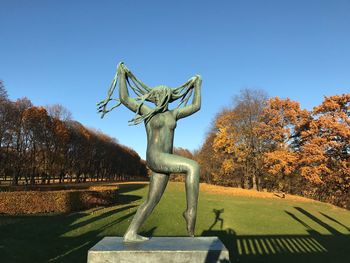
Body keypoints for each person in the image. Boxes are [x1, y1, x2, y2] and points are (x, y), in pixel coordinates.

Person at [98, 62, 201, 242]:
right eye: (158, 95)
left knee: (151, 201)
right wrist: (122, 75)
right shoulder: (148, 113)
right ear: (154, 98)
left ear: (168, 97)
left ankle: (131, 233)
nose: (161, 97)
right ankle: (189, 211)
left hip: (164, 162)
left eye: (164, 94)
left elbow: (196, 106)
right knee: (193, 166)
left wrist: (197, 84)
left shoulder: (173, 114)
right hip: (155, 157)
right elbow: (124, 98)